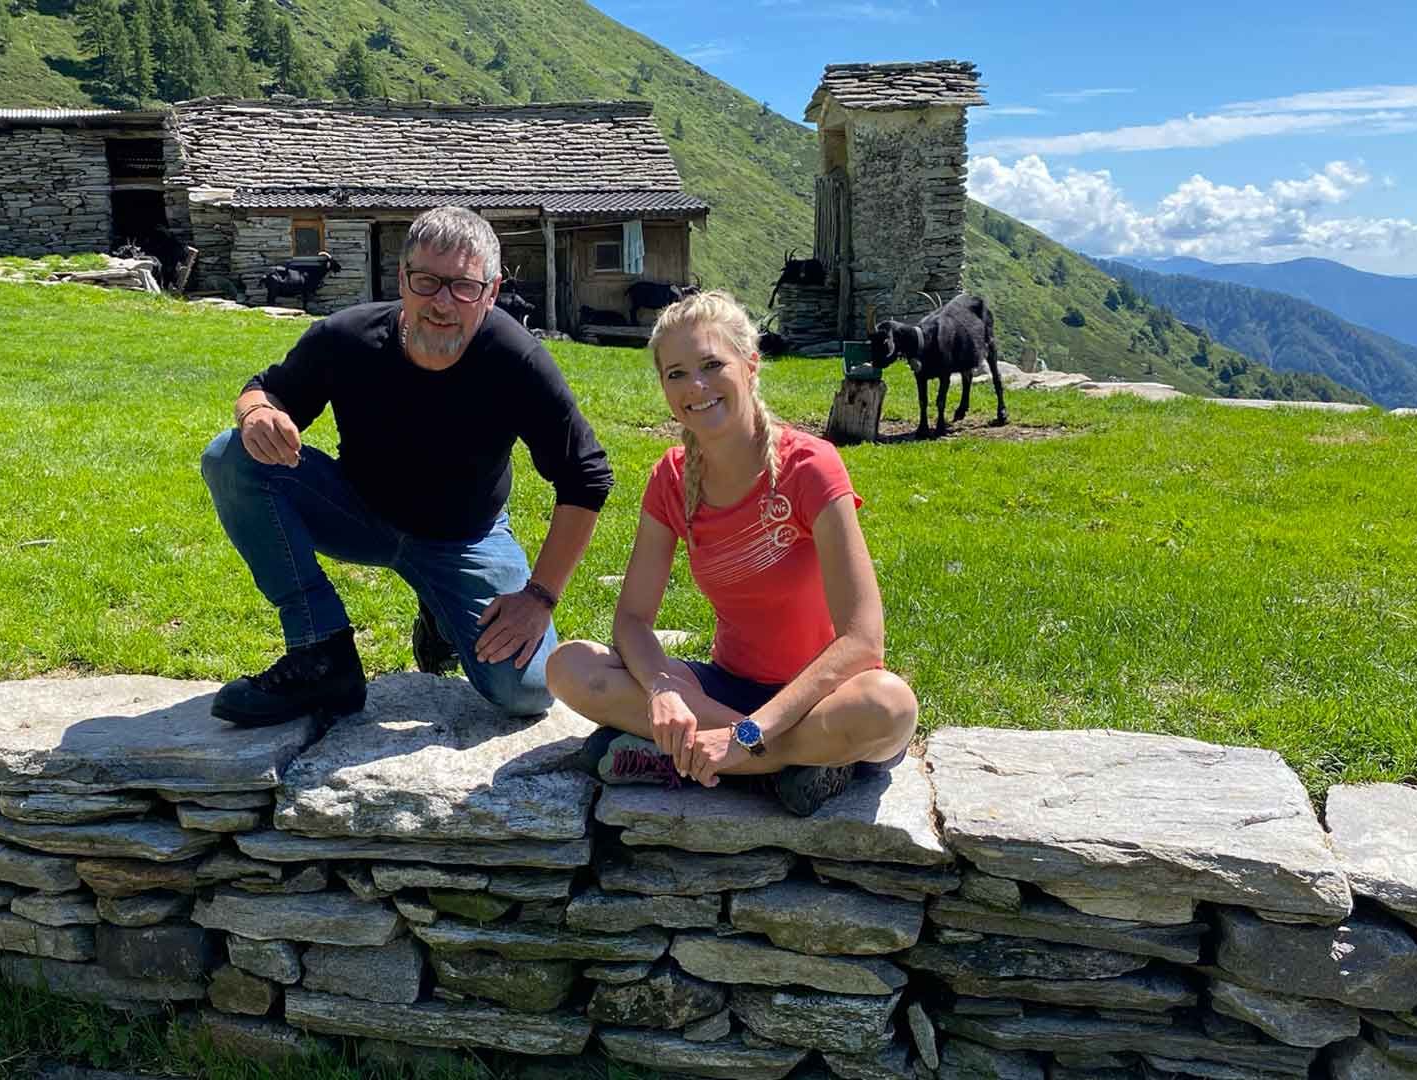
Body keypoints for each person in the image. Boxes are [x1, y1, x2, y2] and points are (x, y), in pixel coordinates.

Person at [201, 207, 613, 725]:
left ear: (491, 290)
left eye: (463, 286)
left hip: (467, 540)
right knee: (231, 455)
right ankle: (321, 650)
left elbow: (586, 478)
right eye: (426, 282)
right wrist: (257, 412)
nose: (442, 303)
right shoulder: (346, 337)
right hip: (358, 514)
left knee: (525, 691)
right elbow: (268, 390)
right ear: (402, 280)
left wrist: (539, 596)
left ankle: (441, 617)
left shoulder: (517, 361)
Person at [545, 290, 915, 815]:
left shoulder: (811, 466)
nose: (695, 386)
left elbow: (862, 640)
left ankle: (705, 758)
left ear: (750, 365)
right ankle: (780, 768)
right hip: (724, 693)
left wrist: (748, 734)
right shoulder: (670, 478)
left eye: (712, 364)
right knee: (568, 666)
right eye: (675, 374)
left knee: (889, 706)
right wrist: (664, 691)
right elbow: (630, 620)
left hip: (817, 700)